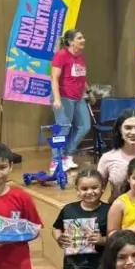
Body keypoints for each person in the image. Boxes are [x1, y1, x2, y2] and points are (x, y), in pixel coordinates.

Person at [49, 29, 95, 173]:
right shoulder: (61, 55)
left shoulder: (80, 56)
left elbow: (81, 77)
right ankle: (55, 161)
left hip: (78, 97)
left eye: (83, 37)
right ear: (71, 42)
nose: (83, 40)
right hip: (63, 97)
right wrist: (57, 99)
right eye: (79, 38)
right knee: (64, 128)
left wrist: (89, 92)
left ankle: (67, 155)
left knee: (84, 126)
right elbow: (54, 78)